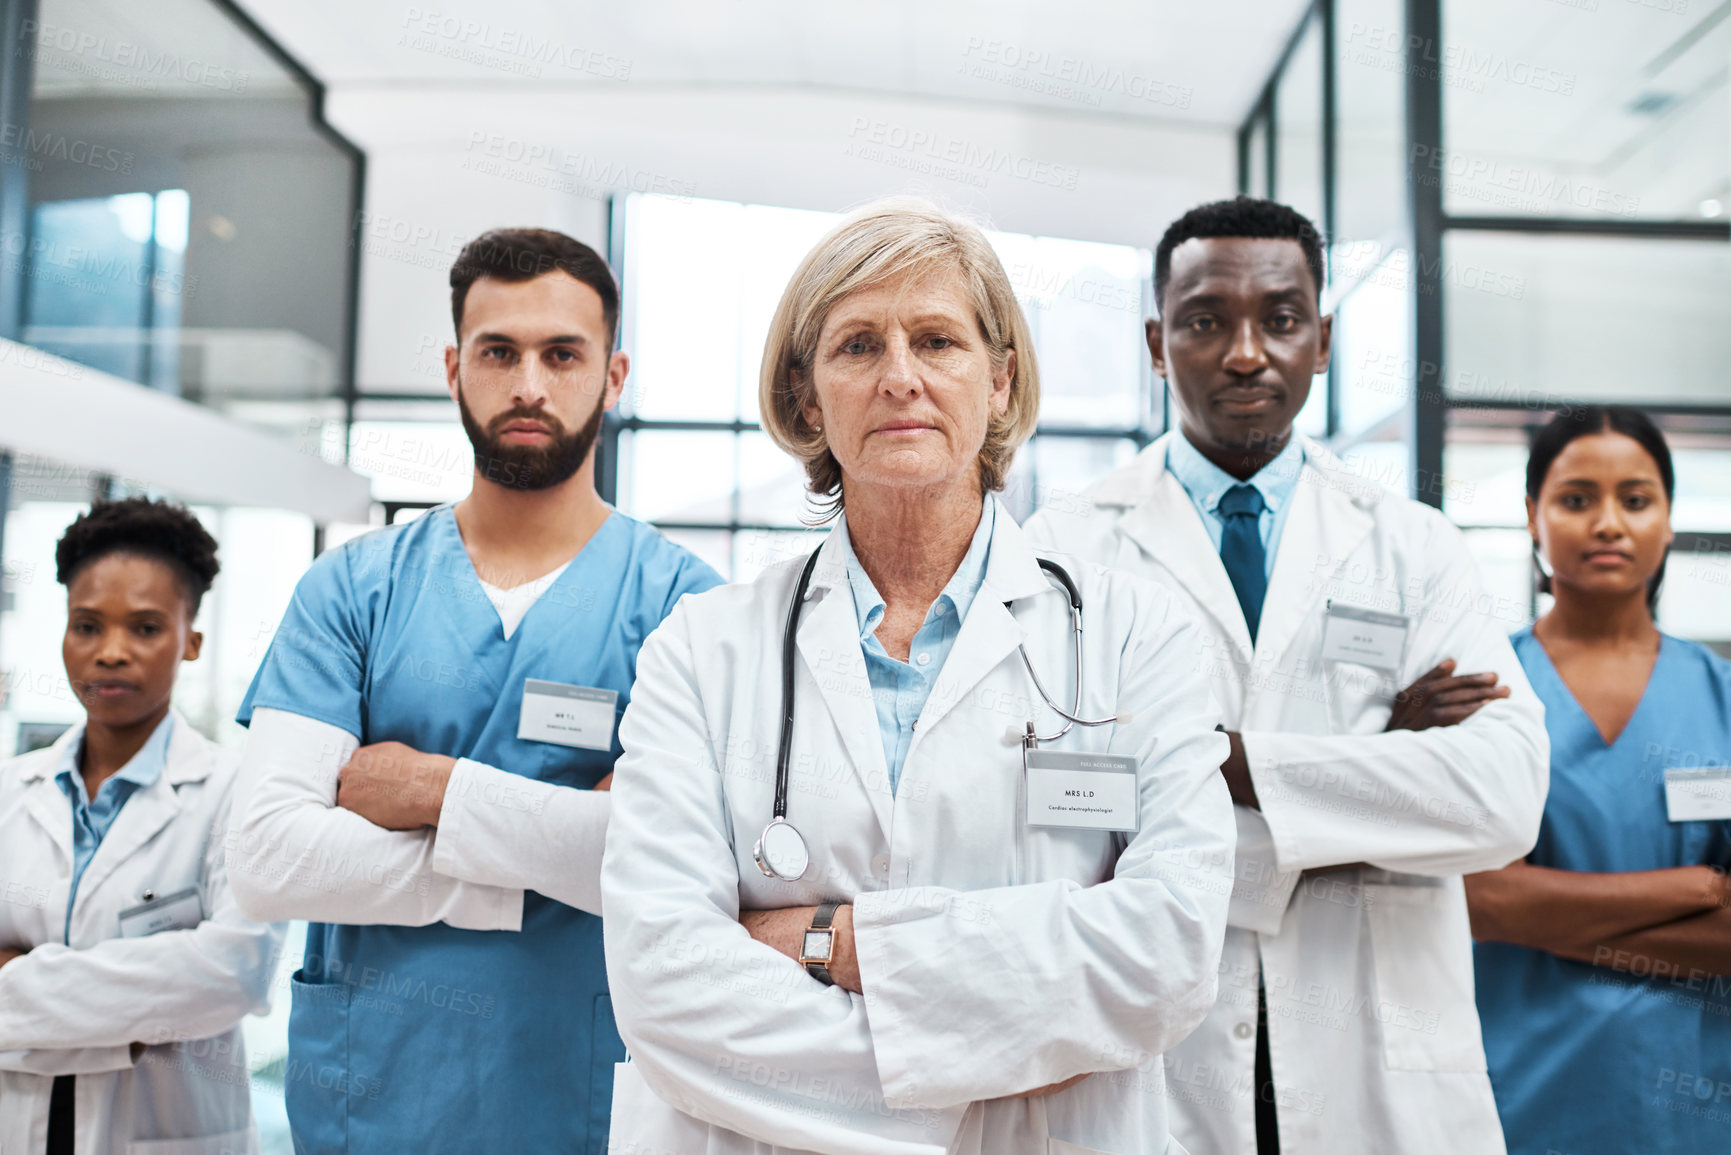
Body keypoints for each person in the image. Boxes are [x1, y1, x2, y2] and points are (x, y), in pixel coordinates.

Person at [601, 197, 1237, 1155]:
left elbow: (1167, 952)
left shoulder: (1135, 635)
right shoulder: (700, 649)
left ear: (998, 380)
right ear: (810, 398)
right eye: (857, 345)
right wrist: (992, 1066)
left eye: (936, 340)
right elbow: (664, 984)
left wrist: (830, 942)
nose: (900, 376)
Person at [1024, 196, 1550, 1155]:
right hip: (1158, 1051)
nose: (1242, 351)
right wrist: (1372, 775)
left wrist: (1227, 765)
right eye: (1203, 319)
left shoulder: (1412, 544)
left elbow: (1503, 797)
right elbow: (1060, 803)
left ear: (1322, 339)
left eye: (1279, 317)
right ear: (1155, 341)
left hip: (1379, 1065)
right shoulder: (1066, 545)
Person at [226, 228, 722, 1153]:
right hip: (370, 1093)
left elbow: (672, 864)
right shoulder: (352, 589)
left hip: (580, 1094)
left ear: (613, 378)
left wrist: (428, 792)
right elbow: (267, 858)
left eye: (561, 354)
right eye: (499, 352)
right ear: (456, 368)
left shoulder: (687, 607)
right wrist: (548, 856)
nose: (528, 384)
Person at [1467, 406, 1731, 1155]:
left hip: (1692, 1104)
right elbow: (1478, 901)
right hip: (1515, 1098)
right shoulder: (1483, 691)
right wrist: (1694, 889)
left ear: (1669, 519)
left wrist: (1542, 913)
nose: (1607, 522)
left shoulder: (1721, 697)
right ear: (1530, 515)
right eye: (1576, 498)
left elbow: (1511, 904)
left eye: (1636, 499)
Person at [0, 498, 284, 1155]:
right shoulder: (11, 792)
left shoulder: (236, 794)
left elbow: (235, 972)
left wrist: (17, 985)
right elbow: (184, 983)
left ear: (191, 640)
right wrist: (132, 1016)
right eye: (87, 625)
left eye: (146, 627)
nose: (111, 653)